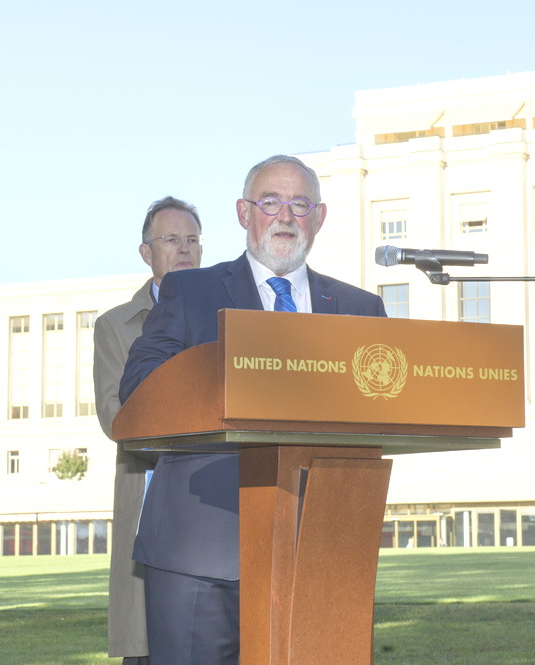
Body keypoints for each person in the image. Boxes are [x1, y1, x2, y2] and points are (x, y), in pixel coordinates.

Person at [118, 155, 387, 665]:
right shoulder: (191, 291)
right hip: (199, 550)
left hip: (322, 551)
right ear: (245, 213)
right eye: (270, 202)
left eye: (299, 203)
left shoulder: (360, 310)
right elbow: (139, 390)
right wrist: (240, 372)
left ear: (320, 216)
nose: (285, 216)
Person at [94, 196, 202, 665]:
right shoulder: (115, 326)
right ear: (146, 252)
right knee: (150, 645)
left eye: (193, 240)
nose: (185, 249)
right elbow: (116, 416)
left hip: (225, 500)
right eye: (171, 239)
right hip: (152, 496)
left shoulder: (230, 318)